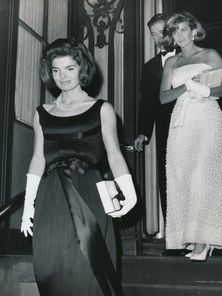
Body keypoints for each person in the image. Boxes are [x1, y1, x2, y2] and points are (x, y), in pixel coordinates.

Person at [20, 38, 137, 296]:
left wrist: (129, 191)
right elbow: (38, 159)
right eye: (56, 70)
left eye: (70, 68)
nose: (62, 76)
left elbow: (115, 155)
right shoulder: (42, 112)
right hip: (50, 197)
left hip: (89, 193)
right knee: (50, 265)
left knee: (88, 269)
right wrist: (29, 204)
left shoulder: (102, 109)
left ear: (81, 68)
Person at [160, 12, 222, 261]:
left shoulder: (210, 54)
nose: (179, 35)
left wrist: (203, 89)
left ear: (193, 30)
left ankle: (205, 240)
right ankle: (190, 237)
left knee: (203, 175)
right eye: (174, 32)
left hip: (206, 116)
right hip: (181, 121)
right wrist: (186, 85)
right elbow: (163, 98)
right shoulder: (171, 62)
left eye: (183, 29)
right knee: (182, 176)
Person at [134, 14, 175, 221]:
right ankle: (174, 240)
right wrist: (143, 132)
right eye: (153, 34)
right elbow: (147, 103)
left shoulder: (192, 57)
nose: (159, 38)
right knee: (168, 180)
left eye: (162, 32)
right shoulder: (149, 67)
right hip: (165, 130)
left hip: (194, 123)